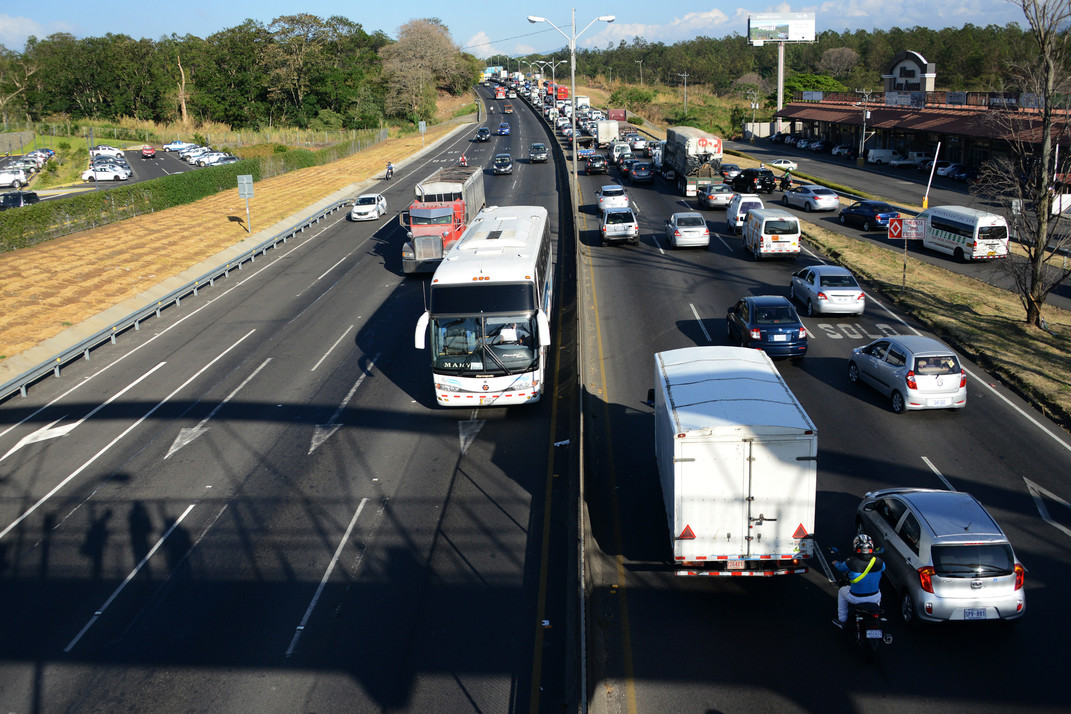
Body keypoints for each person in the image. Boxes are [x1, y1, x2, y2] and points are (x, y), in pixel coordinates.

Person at [832, 534, 885, 628]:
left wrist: (835, 563)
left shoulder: (851, 561)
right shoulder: (879, 562)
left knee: (841, 591)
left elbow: (840, 568)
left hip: (856, 598)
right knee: (878, 592)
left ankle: (842, 620)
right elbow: (883, 569)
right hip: (874, 597)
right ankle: (875, 612)